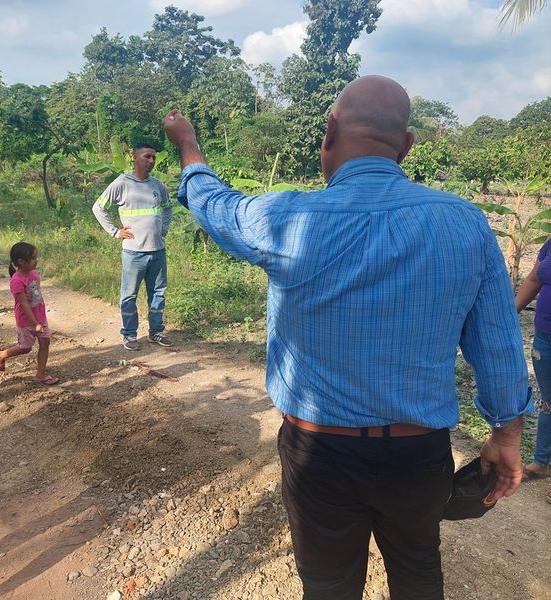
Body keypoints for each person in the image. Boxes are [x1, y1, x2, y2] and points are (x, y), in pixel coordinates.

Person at [164, 75, 532, 600]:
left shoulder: (284, 218)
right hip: (418, 455)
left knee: (329, 585)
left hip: (319, 454)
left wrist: (188, 145)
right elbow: (497, 345)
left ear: (329, 131)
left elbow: (214, 204)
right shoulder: (465, 224)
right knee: (419, 570)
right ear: (406, 146)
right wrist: (506, 434)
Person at [92, 143, 173, 351]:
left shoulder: (157, 185)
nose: (151, 161)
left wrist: (164, 226)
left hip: (158, 250)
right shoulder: (122, 183)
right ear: (134, 158)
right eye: (147, 156)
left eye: (153, 157)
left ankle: (156, 332)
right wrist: (115, 232)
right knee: (129, 295)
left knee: (158, 293)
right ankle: (129, 334)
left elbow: (168, 207)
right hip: (134, 252)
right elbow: (98, 207)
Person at [0, 242, 59, 385]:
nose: (36, 261)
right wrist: (34, 323)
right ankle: (0, 355)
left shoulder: (35, 274)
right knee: (25, 348)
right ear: (21, 262)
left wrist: (40, 319)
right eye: (33, 258)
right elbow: (24, 303)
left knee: (45, 342)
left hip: (40, 317)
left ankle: (40, 374)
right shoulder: (16, 281)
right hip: (26, 321)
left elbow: (36, 296)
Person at [515, 239, 551, 503]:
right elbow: (534, 279)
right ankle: (540, 462)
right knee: (548, 402)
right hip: (544, 336)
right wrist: (508, 315)